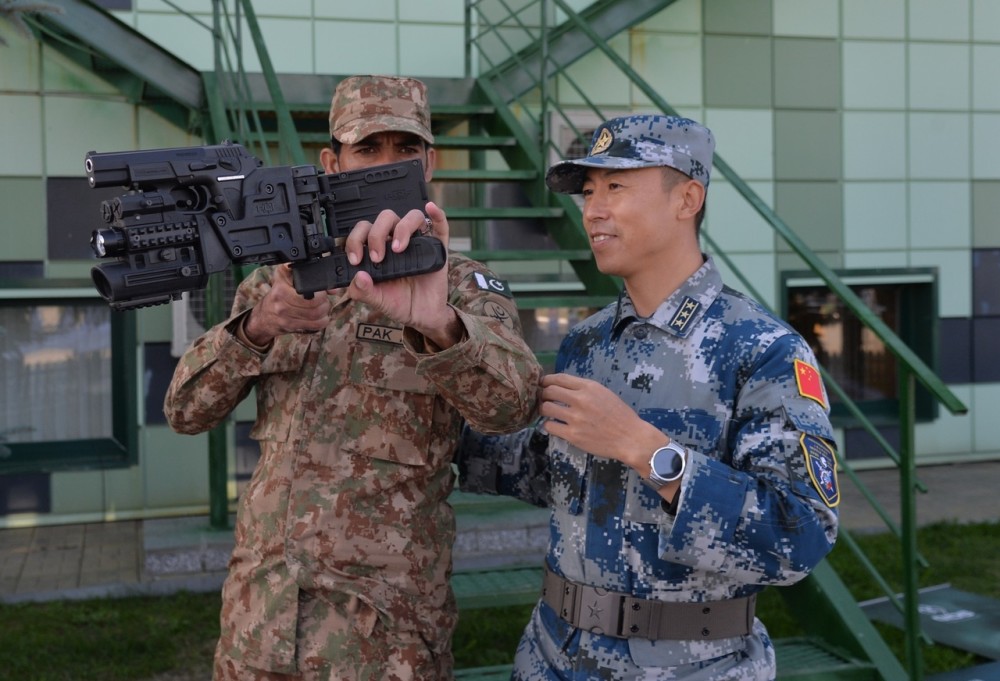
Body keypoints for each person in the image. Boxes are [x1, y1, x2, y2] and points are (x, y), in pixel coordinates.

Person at [164, 75, 542, 681]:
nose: (386, 166)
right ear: (331, 163)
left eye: (405, 149)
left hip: (385, 643)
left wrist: (439, 322)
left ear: (430, 164)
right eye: (367, 150)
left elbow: (512, 404)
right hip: (259, 627)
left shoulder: (462, 285)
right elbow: (184, 409)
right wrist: (260, 326)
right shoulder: (276, 282)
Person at [456, 114, 840, 680]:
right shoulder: (588, 341)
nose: (593, 209)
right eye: (588, 191)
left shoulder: (761, 349)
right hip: (552, 659)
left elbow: (798, 533)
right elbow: (550, 473)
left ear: (687, 198)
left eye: (616, 187)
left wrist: (648, 451)